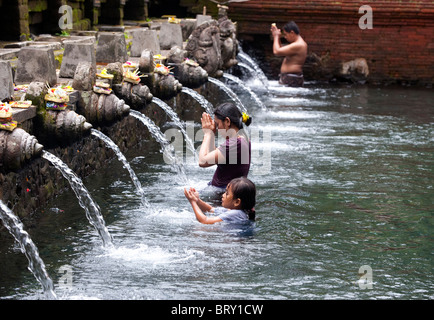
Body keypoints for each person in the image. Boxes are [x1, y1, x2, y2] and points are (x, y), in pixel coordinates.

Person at [198, 102, 252, 192]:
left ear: (227, 121)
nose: (217, 128)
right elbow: (213, 157)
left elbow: (202, 161)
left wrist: (207, 134)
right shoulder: (241, 139)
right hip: (224, 194)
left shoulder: (235, 143)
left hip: (223, 198)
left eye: (218, 124)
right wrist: (211, 134)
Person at [184, 177, 256, 224]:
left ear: (237, 202)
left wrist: (192, 202)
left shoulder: (235, 213)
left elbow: (204, 221)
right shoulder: (236, 211)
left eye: (227, 193)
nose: (223, 195)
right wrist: (197, 200)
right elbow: (211, 209)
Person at [270, 21, 308, 87]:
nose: (285, 37)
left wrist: (276, 36)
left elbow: (276, 51)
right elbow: (280, 50)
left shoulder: (299, 45)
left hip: (291, 78)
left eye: (285, 34)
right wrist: (277, 37)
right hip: (290, 77)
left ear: (292, 33)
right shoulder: (298, 44)